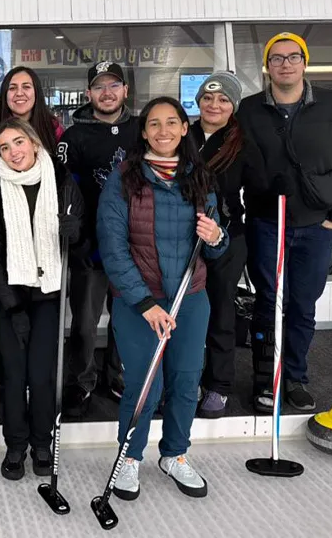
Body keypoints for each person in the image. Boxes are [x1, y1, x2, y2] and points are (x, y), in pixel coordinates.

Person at [96, 96, 227, 500]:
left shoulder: (200, 179)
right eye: (154, 124)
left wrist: (217, 237)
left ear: (185, 129)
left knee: (187, 381)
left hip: (191, 297)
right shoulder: (124, 179)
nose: (163, 131)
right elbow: (113, 249)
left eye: (172, 123)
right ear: (144, 131)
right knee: (144, 386)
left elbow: (216, 245)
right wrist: (145, 303)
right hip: (140, 302)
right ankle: (129, 459)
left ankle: (175, 454)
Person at [238, 32, 332, 412]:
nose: (285, 64)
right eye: (277, 58)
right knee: (270, 301)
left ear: (305, 63)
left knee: (303, 304)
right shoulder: (249, 109)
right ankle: (265, 378)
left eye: (293, 57)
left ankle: (294, 376)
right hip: (265, 223)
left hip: (315, 226)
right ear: (268, 66)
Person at [0, 118, 84, 481]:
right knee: (14, 374)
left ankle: (42, 442)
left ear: (35, 143)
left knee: (42, 375)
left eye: (18, 142)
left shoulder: (62, 179)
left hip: (49, 294)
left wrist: (75, 232)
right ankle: (15, 444)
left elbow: (79, 233)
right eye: (4, 147)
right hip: (10, 296)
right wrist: (12, 307)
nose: (13, 152)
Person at [56, 61, 142, 415]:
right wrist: (76, 238)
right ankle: (82, 380)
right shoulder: (73, 136)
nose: (107, 93)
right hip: (89, 248)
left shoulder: (141, 129)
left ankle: (118, 377)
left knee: (127, 317)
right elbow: (64, 190)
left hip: (133, 245)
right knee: (85, 324)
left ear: (125, 91)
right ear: (88, 93)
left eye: (114, 85)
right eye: (99, 87)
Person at [188, 72, 267, 419]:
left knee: (219, 309)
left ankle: (218, 385)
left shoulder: (243, 143)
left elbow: (260, 191)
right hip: (183, 238)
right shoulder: (183, 136)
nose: (214, 105)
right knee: (188, 312)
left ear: (233, 106)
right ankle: (187, 378)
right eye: (208, 98)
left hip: (227, 238)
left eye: (222, 100)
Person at [0, 66, 64, 175]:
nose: (19, 93)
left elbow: (63, 171)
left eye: (26, 87)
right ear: (4, 94)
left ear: (36, 92)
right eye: (12, 88)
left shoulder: (53, 127)